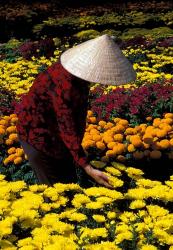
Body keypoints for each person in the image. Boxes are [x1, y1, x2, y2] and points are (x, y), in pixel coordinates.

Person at [14, 34, 136, 187]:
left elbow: (76, 116)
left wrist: (77, 155)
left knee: (70, 184)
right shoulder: (64, 83)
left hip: (58, 138)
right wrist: (87, 167)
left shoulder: (79, 77)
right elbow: (67, 125)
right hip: (38, 138)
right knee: (56, 192)